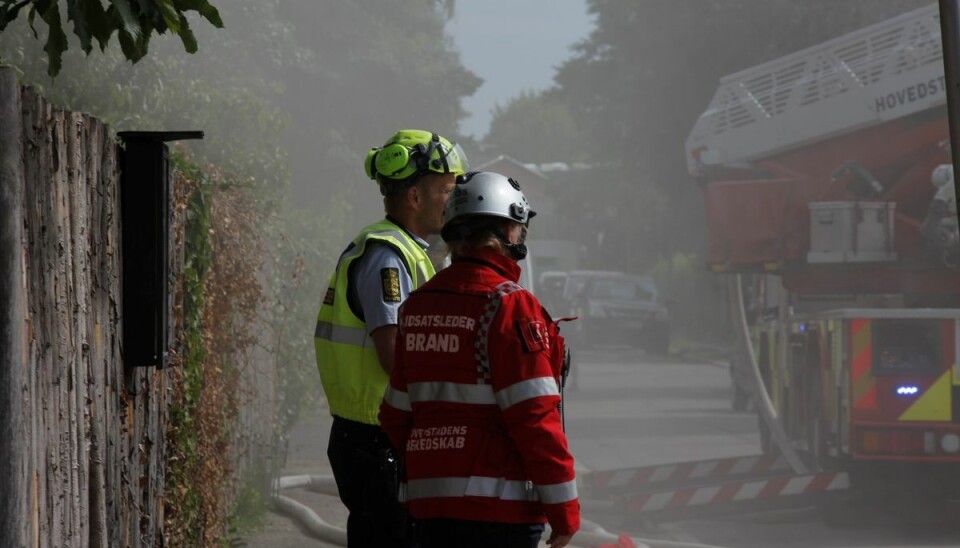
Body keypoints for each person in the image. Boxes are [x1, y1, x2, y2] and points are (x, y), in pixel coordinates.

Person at [379, 171, 580, 548]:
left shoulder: (416, 306)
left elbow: (395, 415)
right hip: (499, 512)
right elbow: (535, 418)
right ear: (506, 230)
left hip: (430, 511)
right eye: (518, 227)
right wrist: (564, 508)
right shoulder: (510, 305)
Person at [314, 129, 467, 547]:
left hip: (376, 434)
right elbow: (394, 354)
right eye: (446, 190)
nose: (453, 201)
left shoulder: (411, 249)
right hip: (375, 437)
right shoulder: (386, 255)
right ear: (415, 197)